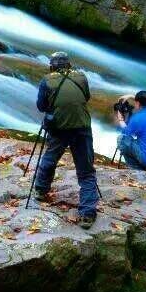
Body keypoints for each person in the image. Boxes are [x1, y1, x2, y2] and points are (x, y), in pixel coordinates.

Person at [32, 51, 99, 228]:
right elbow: (86, 97)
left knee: (50, 159)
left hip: (59, 128)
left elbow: (41, 106)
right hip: (81, 127)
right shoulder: (82, 77)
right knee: (86, 171)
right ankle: (87, 214)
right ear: (69, 65)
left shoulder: (47, 80)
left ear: (52, 66)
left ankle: (40, 190)